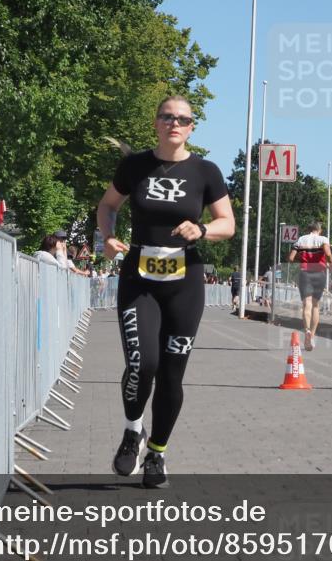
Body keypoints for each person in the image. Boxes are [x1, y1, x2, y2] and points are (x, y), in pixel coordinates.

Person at [96, 95, 234, 488]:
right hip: (139, 278)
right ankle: (131, 431)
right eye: (167, 117)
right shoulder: (135, 166)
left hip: (184, 282)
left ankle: (156, 453)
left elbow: (227, 223)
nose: (174, 123)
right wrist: (107, 238)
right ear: (156, 123)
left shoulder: (206, 171)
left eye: (183, 119)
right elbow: (107, 206)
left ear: (192, 127)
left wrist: (203, 229)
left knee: (172, 375)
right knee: (144, 363)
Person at [288, 221, 332, 351]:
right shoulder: (323, 239)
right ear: (320, 230)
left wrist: (301, 260)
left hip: (305, 273)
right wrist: (331, 263)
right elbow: (328, 253)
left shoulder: (301, 239)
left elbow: (291, 258)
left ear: (309, 229)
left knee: (306, 304)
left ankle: (306, 330)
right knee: (315, 305)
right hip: (319, 273)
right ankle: (312, 335)